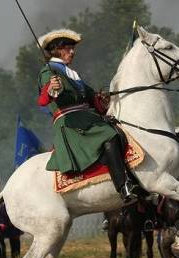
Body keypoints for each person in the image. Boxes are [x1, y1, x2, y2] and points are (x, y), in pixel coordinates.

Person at [36, 28, 144, 202]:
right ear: (57, 49)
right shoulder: (48, 71)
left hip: (86, 118)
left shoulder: (70, 72)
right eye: (68, 48)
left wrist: (103, 99)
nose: (73, 52)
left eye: (73, 48)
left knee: (119, 129)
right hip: (71, 123)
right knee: (109, 135)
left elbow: (92, 97)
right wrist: (52, 88)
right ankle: (123, 186)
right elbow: (43, 99)